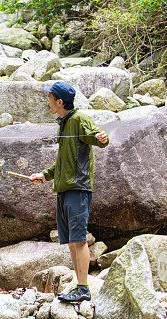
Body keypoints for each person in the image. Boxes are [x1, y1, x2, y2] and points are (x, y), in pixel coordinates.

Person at [30, 81, 109, 303]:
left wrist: (102, 138)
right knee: (72, 241)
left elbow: (98, 138)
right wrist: (44, 175)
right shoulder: (63, 123)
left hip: (78, 188)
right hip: (64, 190)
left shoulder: (79, 120)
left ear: (60, 102)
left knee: (79, 240)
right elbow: (62, 161)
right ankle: (79, 285)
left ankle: (83, 288)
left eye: (50, 98)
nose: (48, 102)